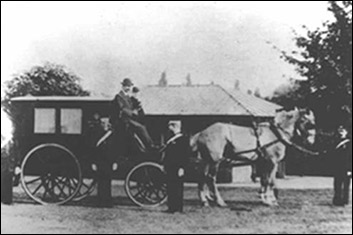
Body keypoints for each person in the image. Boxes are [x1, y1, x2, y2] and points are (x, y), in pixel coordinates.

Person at [112, 78, 154, 151]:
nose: (128, 88)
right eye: (126, 86)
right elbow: (122, 108)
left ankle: (147, 145)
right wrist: (132, 113)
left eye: (129, 86)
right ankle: (150, 146)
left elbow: (132, 106)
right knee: (141, 128)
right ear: (122, 86)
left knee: (143, 125)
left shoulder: (127, 97)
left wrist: (138, 107)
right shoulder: (119, 96)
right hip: (124, 120)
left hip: (129, 119)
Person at [163, 120, 191, 213]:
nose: (169, 128)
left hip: (178, 167)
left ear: (174, 127)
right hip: (170, 167)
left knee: (178, 188)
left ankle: (178, 208)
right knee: (170, 187)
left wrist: (182, 167)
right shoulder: (172, 139)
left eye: (170, 126)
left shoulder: (183, 139)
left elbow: (185, 155)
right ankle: (171, 207)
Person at [332, 125, 352, 206]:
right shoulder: (335, 141)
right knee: (337, 184)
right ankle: (337, 199)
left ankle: (345, 199)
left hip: (346, 167)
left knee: (346, 185)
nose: (341, 132)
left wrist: (350, 169)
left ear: (346, 132)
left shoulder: (349, 143)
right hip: (338, 167)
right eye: (340, 130)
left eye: (343, 130)